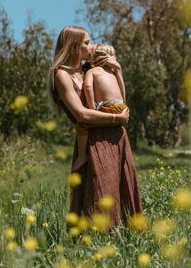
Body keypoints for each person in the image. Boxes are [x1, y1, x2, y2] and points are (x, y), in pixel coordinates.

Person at [48, 25, 142, 228]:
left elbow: (119, 100)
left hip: (117, 136)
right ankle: (95, 248)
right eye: (86, 42)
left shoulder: (89, 69)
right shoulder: (61, 75)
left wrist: (117, 69)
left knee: (123, 191)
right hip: (92, 141)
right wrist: (116, 119)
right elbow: (81, 114)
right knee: (100, 197)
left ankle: (126, 246)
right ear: (73, 46)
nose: (90, 47)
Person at [73, 43, 128, 171]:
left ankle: (82, 155)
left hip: (107, 108)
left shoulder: (92, 71)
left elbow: (87, 87)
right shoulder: (114, 74)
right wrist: (118, 70)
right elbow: (122, 96)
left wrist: (92, 108)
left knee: (82, 124)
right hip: (122, 107)